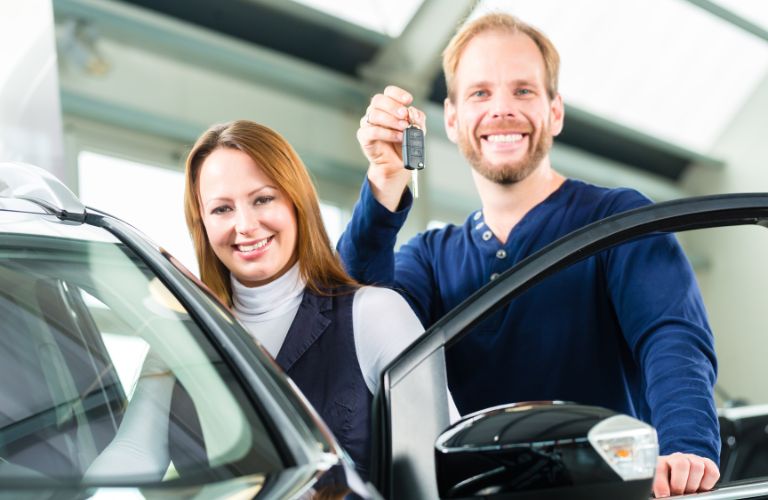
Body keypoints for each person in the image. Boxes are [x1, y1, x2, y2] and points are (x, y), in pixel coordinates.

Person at [337, 12, 720, 498]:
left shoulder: (620, 220)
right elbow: (350, 332)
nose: (502, 110)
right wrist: (383, 190)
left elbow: (673, 340)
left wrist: (685, 449)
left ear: (554, 111)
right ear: (451, 120)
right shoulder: (430, 260)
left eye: (523, 90)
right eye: (480, 93)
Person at [182, 119, 426, 479]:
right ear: (201, 223)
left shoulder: (375, 314)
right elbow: (130, 454)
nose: (245, 225)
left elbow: (441, 472)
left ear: (297, 202)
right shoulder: (181, 338)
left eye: (263, 199)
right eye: (222, 209)